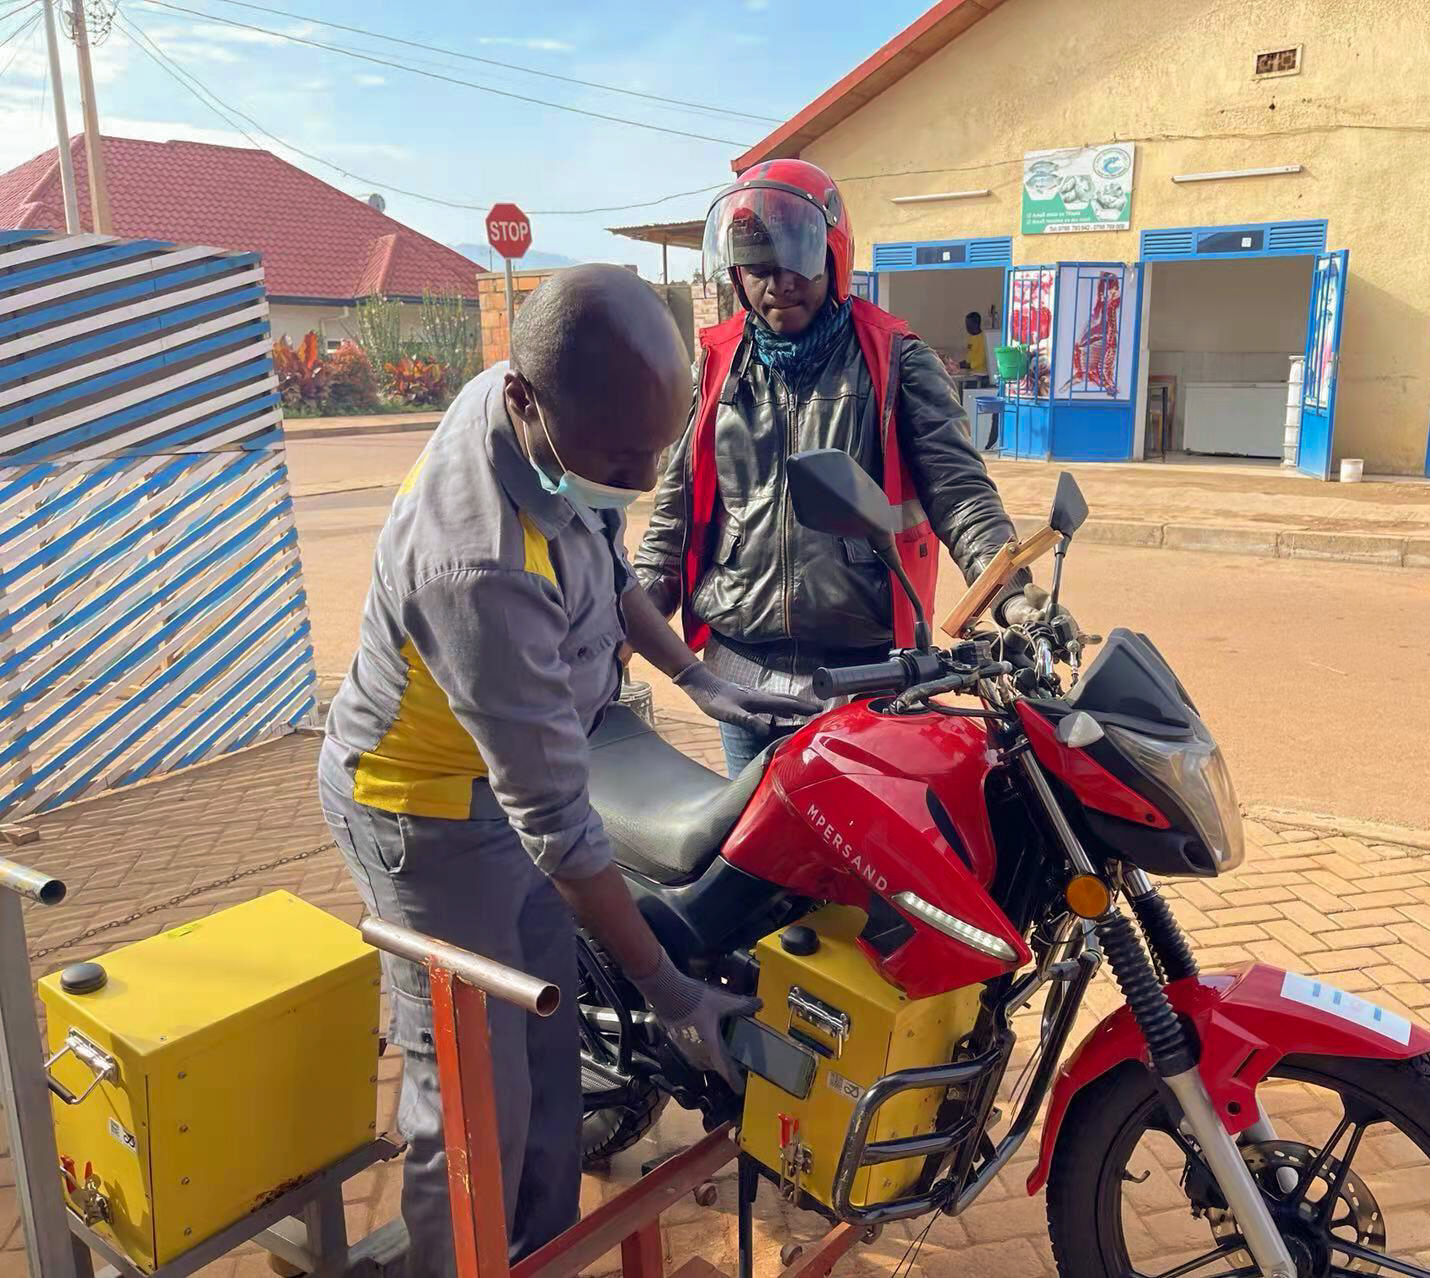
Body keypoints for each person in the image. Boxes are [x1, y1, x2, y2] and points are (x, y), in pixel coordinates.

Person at [318, 265, 804, 1278]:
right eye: (618, 456)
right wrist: (671, 994)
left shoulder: (541, 434)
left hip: (497, 794)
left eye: (653, 454)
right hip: (421, 815)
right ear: (527, 400)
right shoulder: (478, 565)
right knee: (469, 1104)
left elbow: (604, 560)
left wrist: (697, 678)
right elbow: (559, 827)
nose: (634, 477)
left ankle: (533, 1254)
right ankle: (464, 1262)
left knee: (541, 1061)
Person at [635, 160, 1064, 777]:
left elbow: (962, 497)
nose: (777, 284)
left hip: (863, 673)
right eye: (757, 266)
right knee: (757, 859)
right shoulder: (714, 365)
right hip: (738, 670)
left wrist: (1015, 597)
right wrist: (621, 626)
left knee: (860, 858)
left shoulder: (896, 361)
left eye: (794, 264)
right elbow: (673, 521)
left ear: (833, 257)